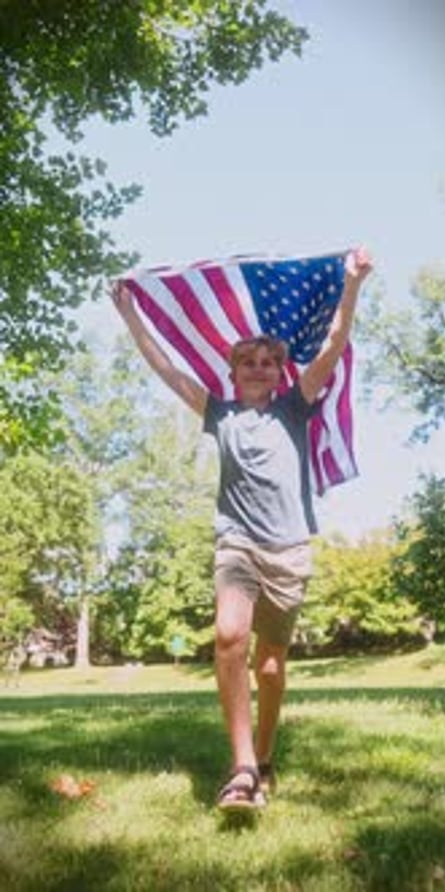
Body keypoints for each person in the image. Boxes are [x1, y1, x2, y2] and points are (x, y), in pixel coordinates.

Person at [112, 247, 373, 812]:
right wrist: (130, 313)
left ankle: (266, 754)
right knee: (229, 636)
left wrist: (352, 284)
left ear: (280, 374)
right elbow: (165, 369)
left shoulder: (294, 408)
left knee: (271, 664)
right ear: (231, 373)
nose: (257, 368)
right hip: (237, 545)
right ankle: (243, 769)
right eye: (248, 361)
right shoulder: (219, 415)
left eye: (267, 362)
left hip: (289, 550)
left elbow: (333, 345)